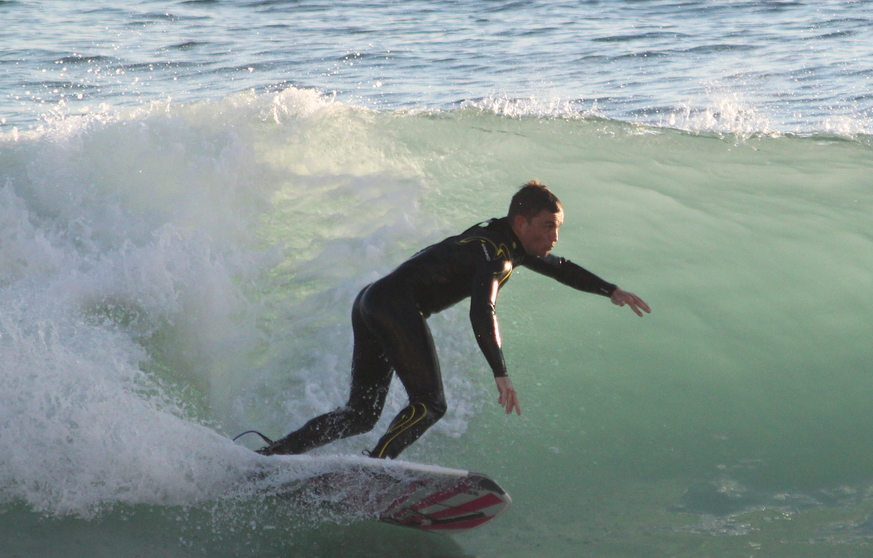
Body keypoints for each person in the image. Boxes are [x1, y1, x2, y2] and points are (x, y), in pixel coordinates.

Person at [254, 181, 650, 459]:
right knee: (429, 404)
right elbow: (483, 309)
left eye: (557, 228)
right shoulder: (495, 254)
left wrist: (610, 290)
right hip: (394, 306)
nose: (554, 238)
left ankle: (272, 456)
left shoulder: (502, 241)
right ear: (521, 222)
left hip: (371, 301)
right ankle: (375, 466)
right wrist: (501, 372)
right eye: (548, 227)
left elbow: (561, 267)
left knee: (360, 414)